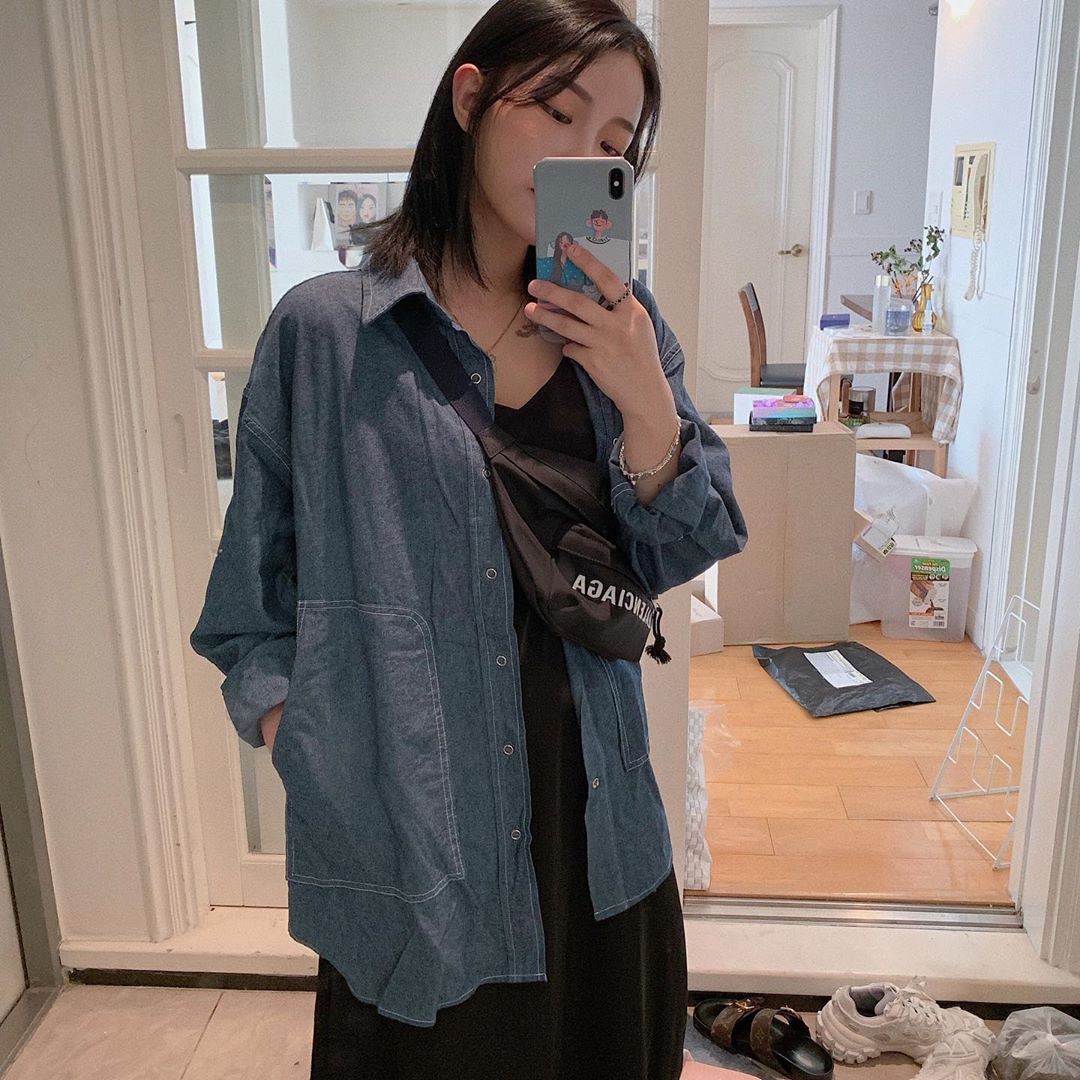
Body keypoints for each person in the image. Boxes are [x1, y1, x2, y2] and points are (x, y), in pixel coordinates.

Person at [189, 1, 746, 1077]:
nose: (581, 155)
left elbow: (679, 548)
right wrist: (310, 741)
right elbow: (248, 608)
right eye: (558, 112)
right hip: (411, 832)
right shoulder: (329, 334)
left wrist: (644, 396)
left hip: (594, 818)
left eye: (612, 142)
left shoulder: (627, 331)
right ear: (472, 98)